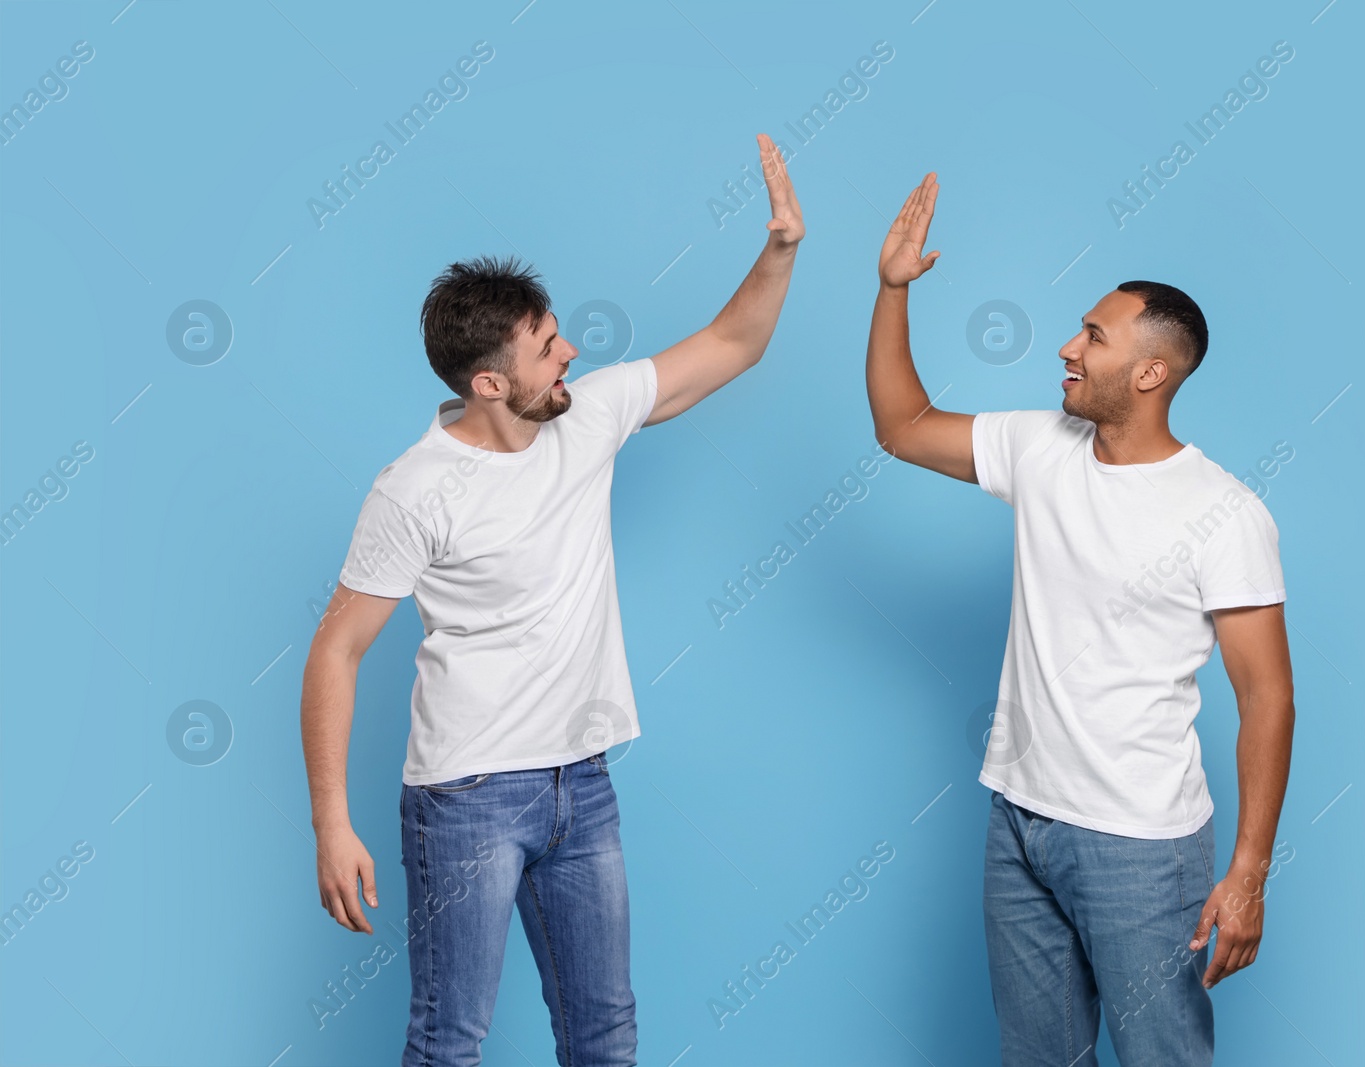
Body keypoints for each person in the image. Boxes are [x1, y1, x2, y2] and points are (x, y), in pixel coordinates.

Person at [299, 133, 804, 1067]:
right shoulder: (413, 489)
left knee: (605, 1037)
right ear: (490, 383)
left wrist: (778, 249)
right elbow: (336, 649)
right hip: (467, 797)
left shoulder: (590, 415)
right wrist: (332, 820)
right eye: (546, 346)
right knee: (449, 1040)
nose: (572, 349)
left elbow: (734, 343)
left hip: (585, 782)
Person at [864, 173, 1295, 1067]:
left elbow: (1269, 699)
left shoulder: (1225, 512)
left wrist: (1248, 874)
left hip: (1141, 846)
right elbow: (902, 425)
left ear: (1149, 371)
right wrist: (893, 287)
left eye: (1092, 337)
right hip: (1019, 818)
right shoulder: (1040, 447)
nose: (1067, 346)